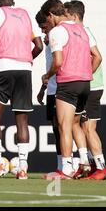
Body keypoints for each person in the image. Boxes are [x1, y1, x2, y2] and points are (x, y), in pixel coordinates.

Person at [0, 0, 43, 179]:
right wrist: (26, 59)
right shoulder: (27, 15)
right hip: (24, 70)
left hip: (3, 68)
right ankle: (22, 168)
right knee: (22, 121)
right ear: (13, 2)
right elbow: (39, 45)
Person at [41, 0, 101, 179]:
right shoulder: (82, 29)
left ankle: (66, 170)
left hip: (67, 83)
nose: (47, 24)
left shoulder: (57, 31)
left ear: (51, 16)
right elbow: (97, 56)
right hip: (85, 84)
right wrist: (85, 73)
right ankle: (84, 164)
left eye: (47, 19)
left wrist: (47, 75)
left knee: (64, 126)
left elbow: (58, 62)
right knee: (76, 124)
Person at [64, 0, 106, 180]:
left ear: (74, 17)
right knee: (80, 125)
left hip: (92, 86)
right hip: (90, 86)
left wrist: (86, 75)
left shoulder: (84, 32)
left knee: (89, 128)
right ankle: (91, 165)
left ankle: (101, 168)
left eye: (66, 16)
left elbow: (98, 57)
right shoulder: (80, 33)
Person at [35, 10, 62, 173]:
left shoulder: (59, 36)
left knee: (65, 129)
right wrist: (42, 89)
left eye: (44, 26)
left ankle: (72, 164)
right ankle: (62, 165)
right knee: (57, 130)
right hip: (52, 90)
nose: (43, 31)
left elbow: (59, 64)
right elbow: (49, 70)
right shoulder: (49, 41)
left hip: (63, 89)